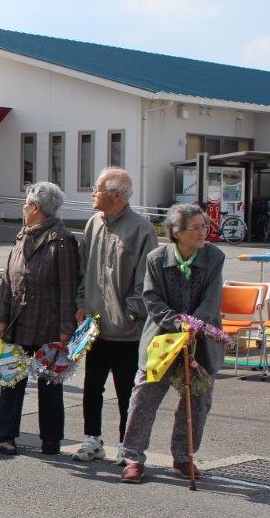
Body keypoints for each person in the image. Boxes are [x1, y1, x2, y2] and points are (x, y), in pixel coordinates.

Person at [120, 204, 225, 484]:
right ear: (176, 232)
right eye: (196, 227)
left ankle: (183, 455)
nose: (203, 231)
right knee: (144, 398)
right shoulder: (156, 258)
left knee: (198, 401)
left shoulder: (214, 257)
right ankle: (133, 458)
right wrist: (178, 323)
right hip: (162, 338)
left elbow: (212, 299)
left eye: (205, 226)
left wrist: (193, 324)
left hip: (200, 340)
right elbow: (151, 298)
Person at [73, 168, 158, 464]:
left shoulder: (141, 228)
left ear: (117, 194)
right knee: (92, 386)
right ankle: (91, 439)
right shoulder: (94, 223)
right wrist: (81, 301)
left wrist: (131, 312)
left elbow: (147, 279)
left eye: (97, 189)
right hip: (94, 325)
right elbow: (83, 268)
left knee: (126, 391)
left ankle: (127, 444)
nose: (92, 194)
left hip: (127, 329)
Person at [0, 182, 79, 456]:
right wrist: (0, 316)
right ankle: (6, 435)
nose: (23, 208)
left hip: (48, 323)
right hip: (17, 320)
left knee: (50, 383)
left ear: (36, 208)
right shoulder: (22, 235)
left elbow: (68, 287)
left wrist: (66, 329)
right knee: (11, 378)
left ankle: (51, 439)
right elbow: (8, 279)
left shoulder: (62, 239)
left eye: (26, 204)